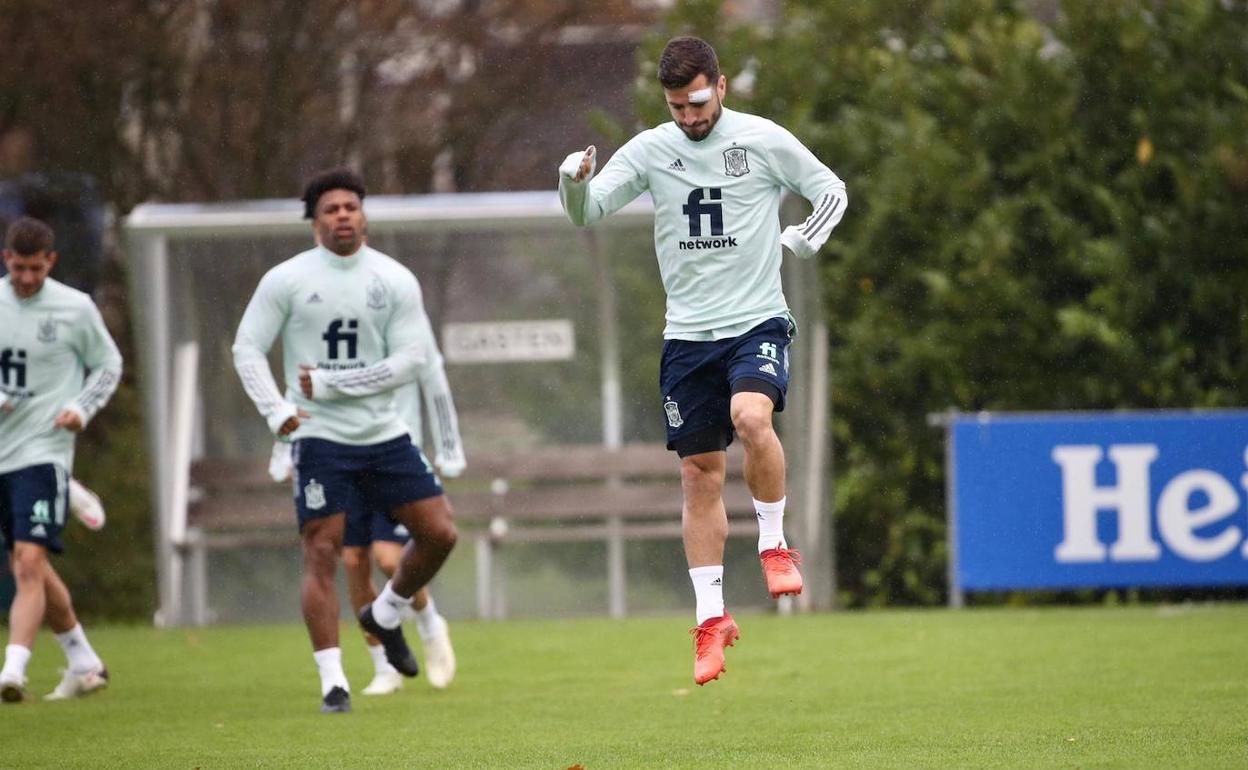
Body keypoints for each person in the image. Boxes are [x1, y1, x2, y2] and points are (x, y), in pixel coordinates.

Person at [558, 37, 847, 685]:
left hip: (755, 322)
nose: (688, 118)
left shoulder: (762, 139)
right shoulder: (651, 149)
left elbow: (830, 189)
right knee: (699, 474)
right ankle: (712, 619)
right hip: (687, 338)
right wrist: (569, 183)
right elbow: (588, 213)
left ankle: (773, 541)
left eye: (695, 103)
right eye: (674, 107)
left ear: (721, 86)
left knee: (751, 417)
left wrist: (805, 236)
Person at [232, 168, 458, 714]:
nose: (342, 216)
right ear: (315, 220)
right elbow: (247, 348)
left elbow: (412, 361)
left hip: (384, 435)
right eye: (331, 209)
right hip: (321, 439)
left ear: (363, 215)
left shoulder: (395, 279)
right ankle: (334, 681)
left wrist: (336, 383)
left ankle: (388, 611)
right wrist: (278, 411)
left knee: (441, 533)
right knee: (325, 552)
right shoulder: (286, 279)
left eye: (351, 208)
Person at [267, 345, 464, 695]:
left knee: (389, 558)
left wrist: (449, 449)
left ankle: (431, 624)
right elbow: (300, 388)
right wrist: (283, 447)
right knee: (354, 560)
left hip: (393, 458)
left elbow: (434, 380)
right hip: (341, 457)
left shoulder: (400, 329)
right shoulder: (336, 336)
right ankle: (385, 666)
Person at [0, 217, 123, 703]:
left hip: (43, 450)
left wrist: (81, 407)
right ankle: (83, 660)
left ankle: (13, 669)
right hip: (2, 455)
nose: (27, 277)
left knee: (28, 562)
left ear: (50, 261)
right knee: (29, 564)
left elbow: (109, 364)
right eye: (18, 267)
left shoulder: (75, 309)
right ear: (6, 258)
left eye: (35, 268)